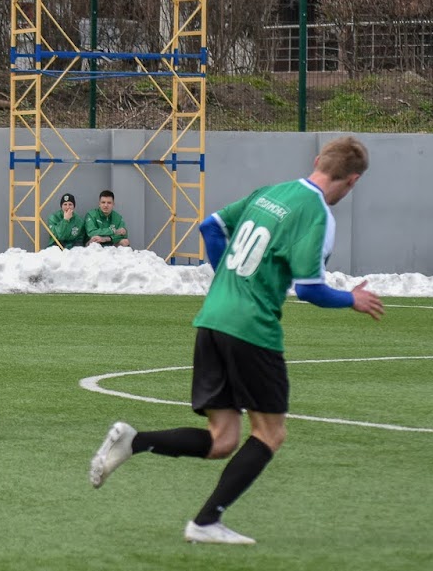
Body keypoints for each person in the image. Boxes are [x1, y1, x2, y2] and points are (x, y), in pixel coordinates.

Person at [88, 136, 385, 545]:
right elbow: (312, 289)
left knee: (222, 440)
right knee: (270, 433)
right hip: (252, 330)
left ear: (318, 161)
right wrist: (352, 298)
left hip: (213, 319)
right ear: (352, 181)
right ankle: (206, 522)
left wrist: (227, 277)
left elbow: (211, 227)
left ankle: (135, 442)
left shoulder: (271, 192)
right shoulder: (317, 215)